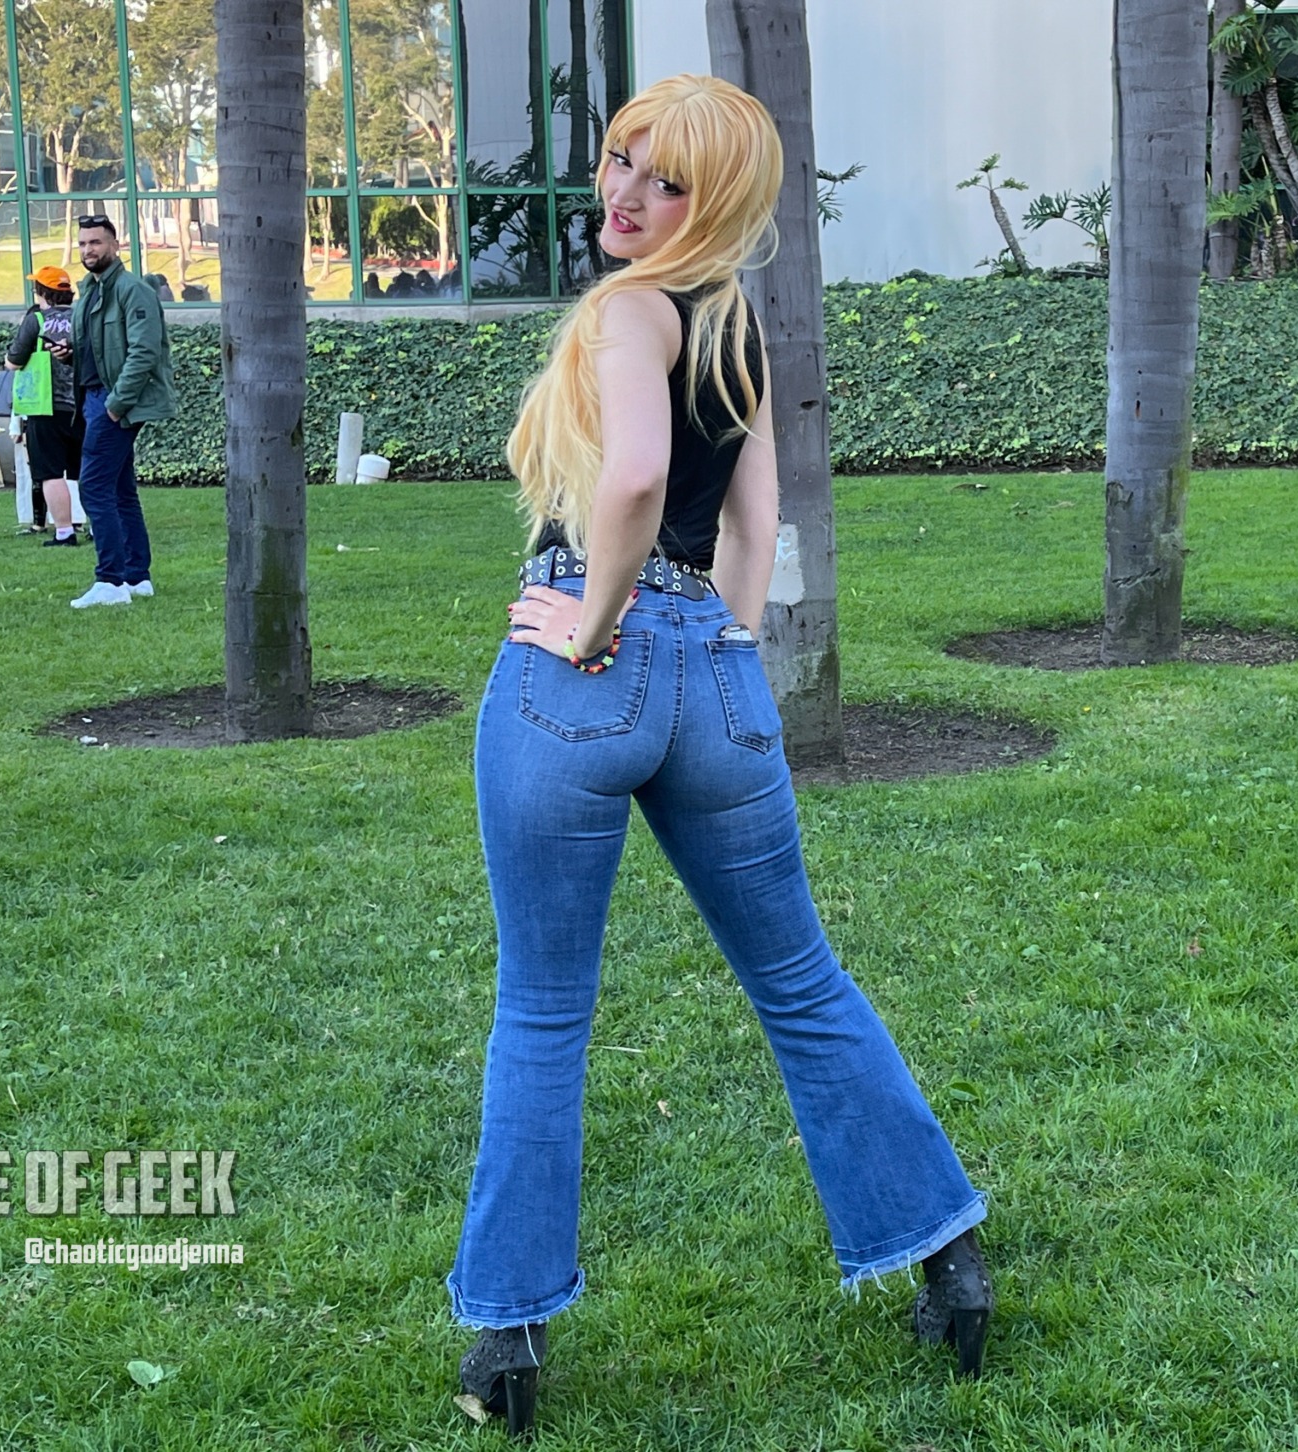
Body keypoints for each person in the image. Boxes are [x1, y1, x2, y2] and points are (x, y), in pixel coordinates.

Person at [448, 75, 994, 1439]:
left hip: (579, 672)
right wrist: (724, 646)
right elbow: (755, 523)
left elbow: (634, 477)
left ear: (721, 199)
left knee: (543, 1013)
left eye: (669, 180)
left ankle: (507, 1336)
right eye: (622, 160)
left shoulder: (628, 311)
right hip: (714, 676)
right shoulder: (735, 323)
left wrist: (589, 625)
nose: (628, 194)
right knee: (802, 982)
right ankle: (946, 1254)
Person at [64, 214, 177, 608]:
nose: (88, 250)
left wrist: (115, 406)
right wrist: (70, 355)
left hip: (113, 403)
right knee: (120, 489)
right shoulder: (89, 291)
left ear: (115, 245)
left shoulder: (133, 290)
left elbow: (145, 353)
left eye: (96, 242)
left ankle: (110, 582)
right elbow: (99, 350)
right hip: (96, 399)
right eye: (82, 244)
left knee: (94, 487)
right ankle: (136, 577)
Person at [5, 265, 85, 547]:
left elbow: (14, 361)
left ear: (43, 293)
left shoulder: (36, 320)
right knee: (86, 471)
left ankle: (64, 531)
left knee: (50, 473)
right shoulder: (82, 318)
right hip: (83, 405)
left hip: (44, 406)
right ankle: (99, 527)